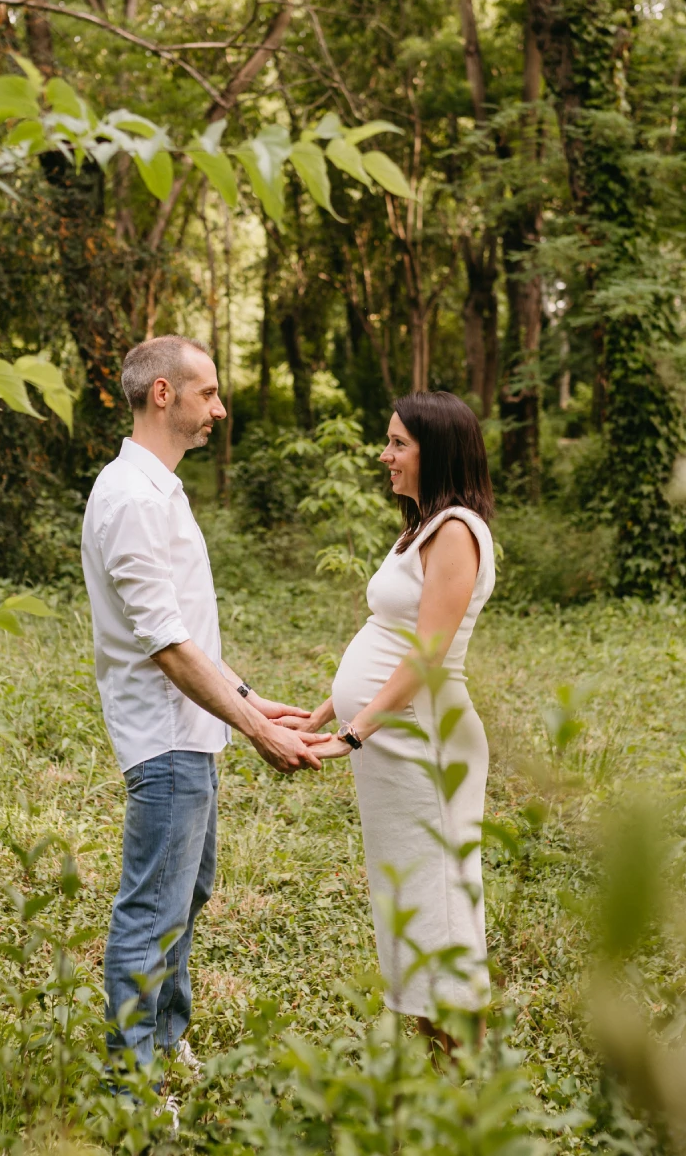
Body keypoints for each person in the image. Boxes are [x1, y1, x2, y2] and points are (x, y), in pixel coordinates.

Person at [81, 334, 330, 1072]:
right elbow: (166, 646)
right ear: (164, 394)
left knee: (186, 893)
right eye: (210, 393)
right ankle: (130, 1088)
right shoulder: (131, 498)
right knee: (151, 910)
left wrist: (252, 698)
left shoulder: (160, 488)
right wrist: (256, 730)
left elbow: (185, 628)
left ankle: (164, 1040)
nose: (219, 409)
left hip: (193, 730)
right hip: (164, 739)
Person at [273, 391, 497, 1047]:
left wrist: (354, 731)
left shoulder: (456, 532)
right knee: (410, 900)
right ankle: (437, 1061)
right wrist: (327, 708)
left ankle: (467, 1075)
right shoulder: (423, 526)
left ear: (438, 450)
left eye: (399, 443)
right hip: (394, 740)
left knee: (442, 907)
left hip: (426, 741)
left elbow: (427, 653)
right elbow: (390, 631)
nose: (384, 454)